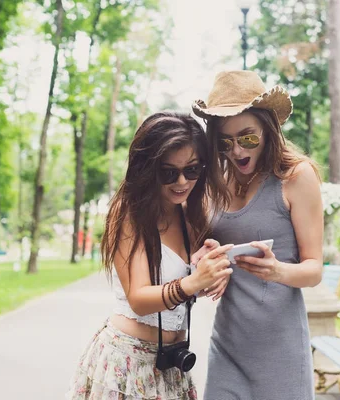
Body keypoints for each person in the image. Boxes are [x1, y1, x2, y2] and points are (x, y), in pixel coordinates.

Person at [66, 112, 234, 400]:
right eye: (168, 173)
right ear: (147, 169)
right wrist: (192, 284)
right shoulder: (129, 212)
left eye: (192, 170)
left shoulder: (187, 214)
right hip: (128, 365)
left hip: (172, 368)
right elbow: (140, 299)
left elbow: (179, 290)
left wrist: (208, 274)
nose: (182, 181)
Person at [192, 71, 324, 400]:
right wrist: (204, 255)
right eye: (225, 141)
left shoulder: (296, 176)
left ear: (268, 127)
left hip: (281, 351)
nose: (237, 150)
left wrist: (278, 270)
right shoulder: (217, 181)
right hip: (228, 347)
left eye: (247, 138)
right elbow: (197, 247)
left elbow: (314, 268)